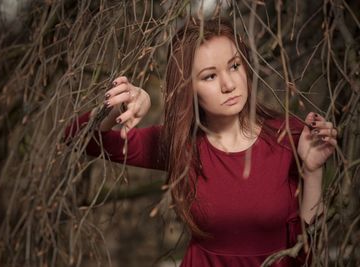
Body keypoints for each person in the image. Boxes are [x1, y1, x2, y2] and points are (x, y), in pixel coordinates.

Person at [65, 18, 337, 267]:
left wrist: (313, 171)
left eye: (234, 66)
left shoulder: (291, 135)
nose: (229, 84)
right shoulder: (178, 143)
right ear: (188, 88)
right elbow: (76, 136)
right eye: (209, 75)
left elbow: (310, 250)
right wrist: (118, 108)